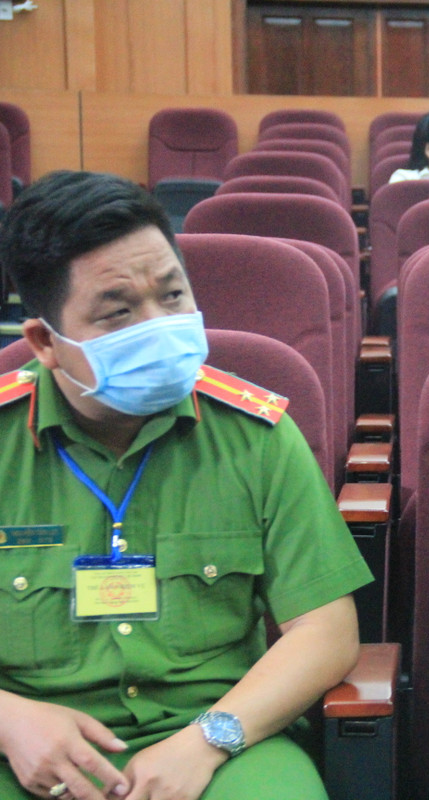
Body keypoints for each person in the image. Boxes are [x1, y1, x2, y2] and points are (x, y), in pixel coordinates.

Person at [0, 171, 374, 800]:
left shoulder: (255, 435)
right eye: (119, 313)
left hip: (222, 739)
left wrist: (207, 740)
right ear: (45, 342)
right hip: (29, 747)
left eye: (172, 296)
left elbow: (327, 633)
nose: (159, 325)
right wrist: (8, 719)